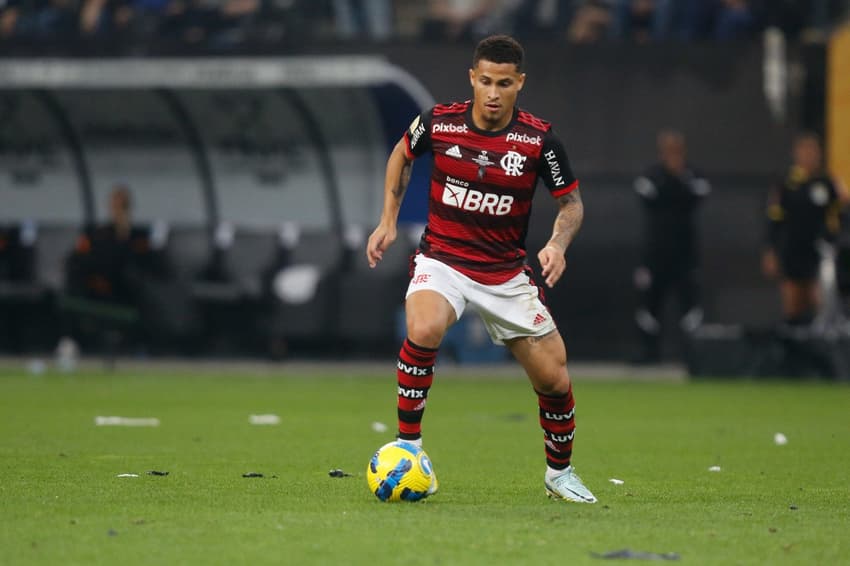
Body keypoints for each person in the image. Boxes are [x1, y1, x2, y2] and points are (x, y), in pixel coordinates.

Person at [366, 35, 596, 503]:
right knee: (426, 326)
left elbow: (571, 204)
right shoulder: (440, 123)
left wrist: (556, 243)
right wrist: (387, 220)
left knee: (554, 378)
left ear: (520, 84)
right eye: (486, 81)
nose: (493, 93)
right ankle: (409, 447)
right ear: (473, 78)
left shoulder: (539, 142)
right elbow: (400, 155)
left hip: (505, 274)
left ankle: (560, 474)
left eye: (504, 83)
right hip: (443, 259)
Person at [632, 130, 710, 364]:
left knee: (690, 305)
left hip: (686, 254)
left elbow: (696, 195)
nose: (672, 154)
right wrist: (674, 187)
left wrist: (676, 184)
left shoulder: (693, 175)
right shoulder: (652, 175)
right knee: (650, 304)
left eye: (676, 149)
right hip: (655, 254)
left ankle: (691, 354)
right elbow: (649, 195)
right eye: (668, 149)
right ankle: (649, 353)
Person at [762, 132, 846, 327]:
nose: (809, 155)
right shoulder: (786, 184)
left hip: (820, 252)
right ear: (796, 153)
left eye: (813, 151)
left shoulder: (827, 182)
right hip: (792, 250)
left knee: (820, 301)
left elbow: (840, 213)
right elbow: (774, 220)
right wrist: (770, 251)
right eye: (804, 150)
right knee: (793, 303)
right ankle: (793, 349)